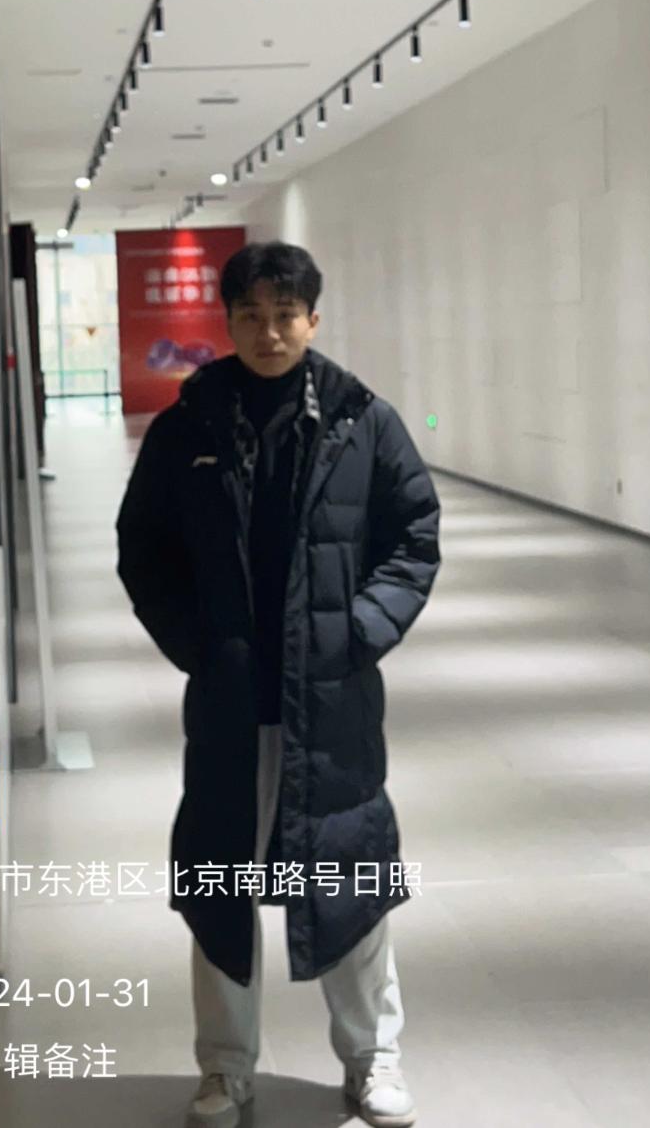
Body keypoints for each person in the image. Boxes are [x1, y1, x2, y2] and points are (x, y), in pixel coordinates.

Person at [116, 240, 441, 1128]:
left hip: (330, 701)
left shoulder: (362, 419)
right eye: (251, 315)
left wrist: (357, 632)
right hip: (231, 704)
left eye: (285, 315)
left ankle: (373, 1058)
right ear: (227, 321)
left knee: (350, 878)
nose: (269, 332)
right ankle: (225, 1067)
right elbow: (143, 549)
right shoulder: (189, 425)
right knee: (220, 888)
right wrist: (197, 647)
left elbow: (414, 536)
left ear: (313, 318)